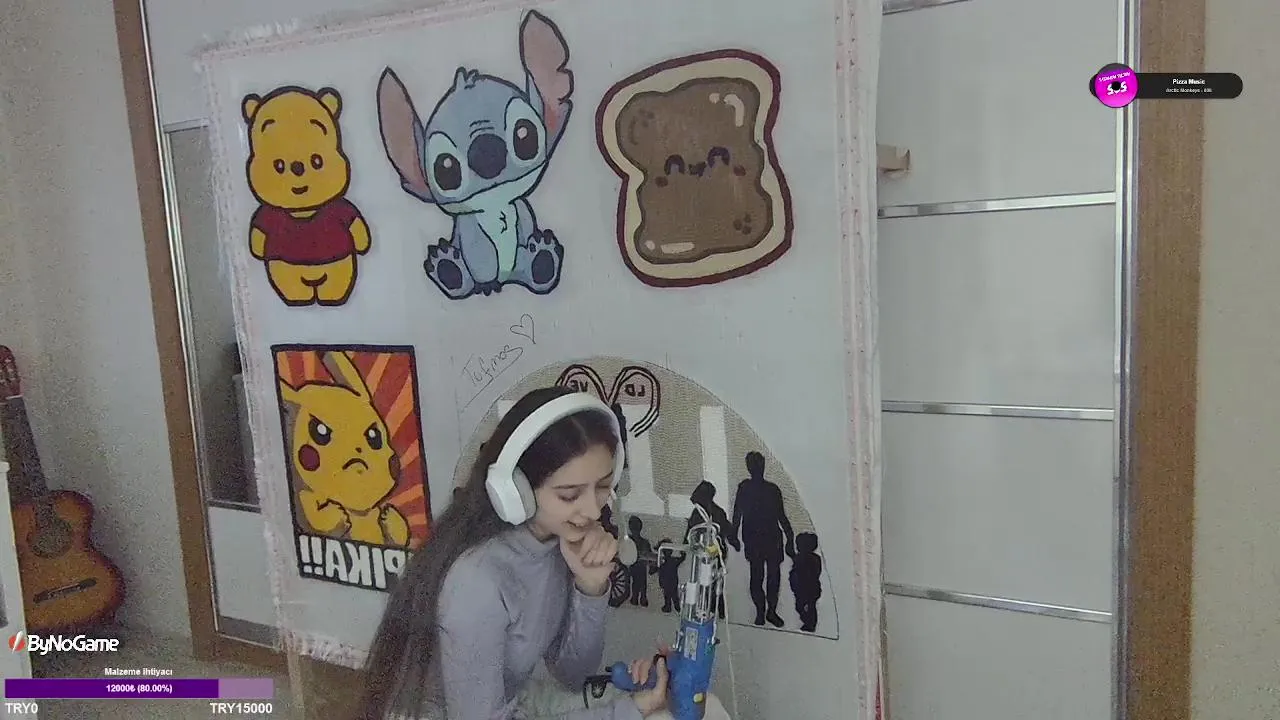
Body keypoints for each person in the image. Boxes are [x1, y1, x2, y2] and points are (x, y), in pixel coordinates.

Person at [356, 387, 669, 720]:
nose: (593, 510)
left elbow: (572, 674)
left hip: (513, 701)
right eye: (569, 496)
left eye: (604, 486)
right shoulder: (477, 579)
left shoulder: (557, 541)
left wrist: (590, 587)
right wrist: (626, 712)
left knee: (657, 703)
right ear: (514, 489)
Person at [731, 451, 795, 628]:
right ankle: (761, 611)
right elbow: (737, 513)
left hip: (771, 539)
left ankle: (770, 611)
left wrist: (790, 538)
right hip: (755, 539)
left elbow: (781, 516)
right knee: (758, 576)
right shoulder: (745, 488)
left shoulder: (771, 489)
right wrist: (734, 535)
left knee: (771, 577)